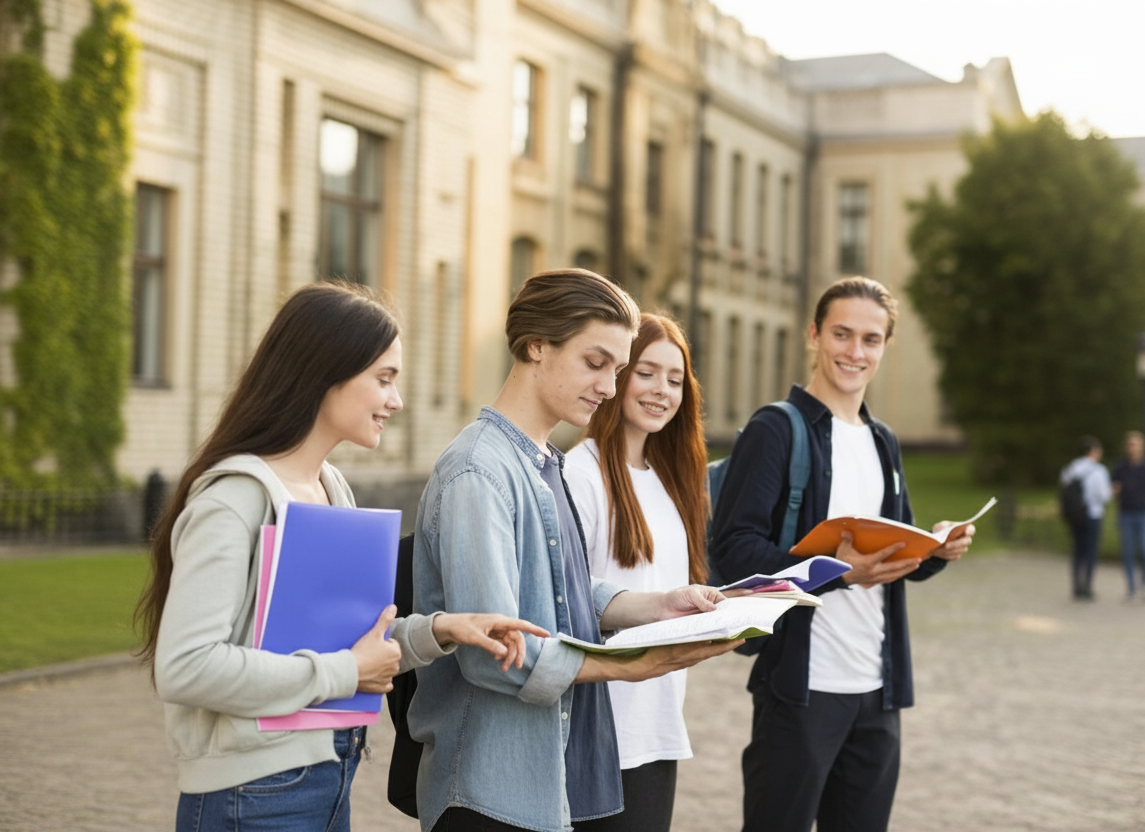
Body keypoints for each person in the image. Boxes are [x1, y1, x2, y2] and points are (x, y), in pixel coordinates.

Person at [134, 281, 547, 832]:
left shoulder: (332, 487)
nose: (395, 401)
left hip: (329, 775)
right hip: (250, 795)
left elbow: (351, 643)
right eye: (384, 379)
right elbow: (186, 668)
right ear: (324, 373)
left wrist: (443, 630)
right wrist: (348, 669)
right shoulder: (233, 501)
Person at [409, 269, 741, 832]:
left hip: (542, 782)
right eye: (596, 363)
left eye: (617, 369)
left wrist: (661, 605)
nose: (611, 388)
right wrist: (633, 665)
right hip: (487, 794)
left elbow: (561, 591)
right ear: (537, 345)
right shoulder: (479, 470)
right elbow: (497, 649)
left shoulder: (542, 461)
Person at [710, 276, 976, 832]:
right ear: (814, 334)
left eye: (871, 340)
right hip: (801, 690)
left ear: (885, 345)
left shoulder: (883, 441)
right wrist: (838, 573)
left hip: (877, 693)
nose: (856, 352)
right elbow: (735, 552)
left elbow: (891, 556)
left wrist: (935, 547)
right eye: (842, 334)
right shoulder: (774, 430)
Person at [564, 313, 709, 832]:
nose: (661, 391)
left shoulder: (673, 482)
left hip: (658, 725)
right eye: (647, 372)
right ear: (619, 376)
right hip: (595, 734)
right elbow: (569, 604)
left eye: (675, 379)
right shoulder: (579, 474)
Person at [1060, 435, 1114, 601]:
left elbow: (1064, 490)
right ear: (1094, 451)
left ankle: (1076, 585)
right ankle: (1087, 587)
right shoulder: (1099, 471)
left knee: (1077, 550)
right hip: (1093, 514)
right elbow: (1104, 496)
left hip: (1075, 515)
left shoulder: (1070, 469)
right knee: (1090, 552)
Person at [1111, 430, 1145, 601]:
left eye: (1136, 444)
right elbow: (1115, 490)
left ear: (1142, 447)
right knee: (1127, 553)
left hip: (1144, 515)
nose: (1132, 448)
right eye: (1130, 444)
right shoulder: (1120, 467)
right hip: (1126, 514)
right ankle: (1131, 589)